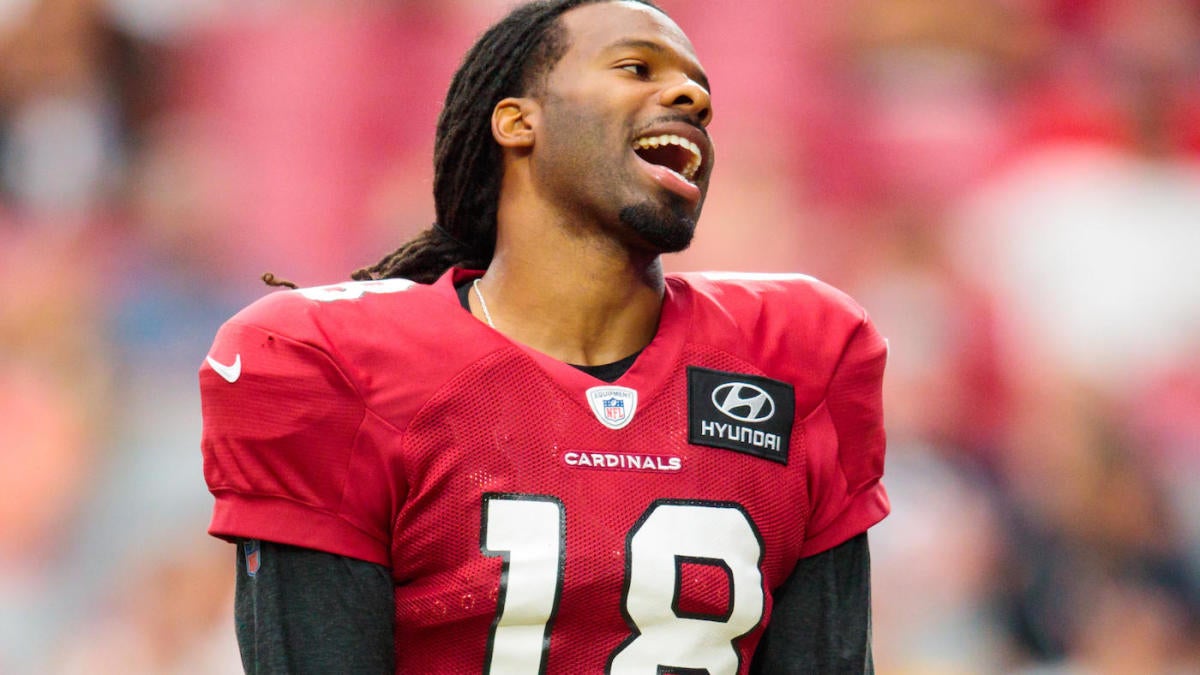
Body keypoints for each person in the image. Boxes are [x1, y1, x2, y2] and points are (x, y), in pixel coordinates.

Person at [199, 1, 890, 672]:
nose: (690, 97)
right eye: (635, 67)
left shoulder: (798, 356)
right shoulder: (337, 363)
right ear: (516, 120)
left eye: (699, 89)